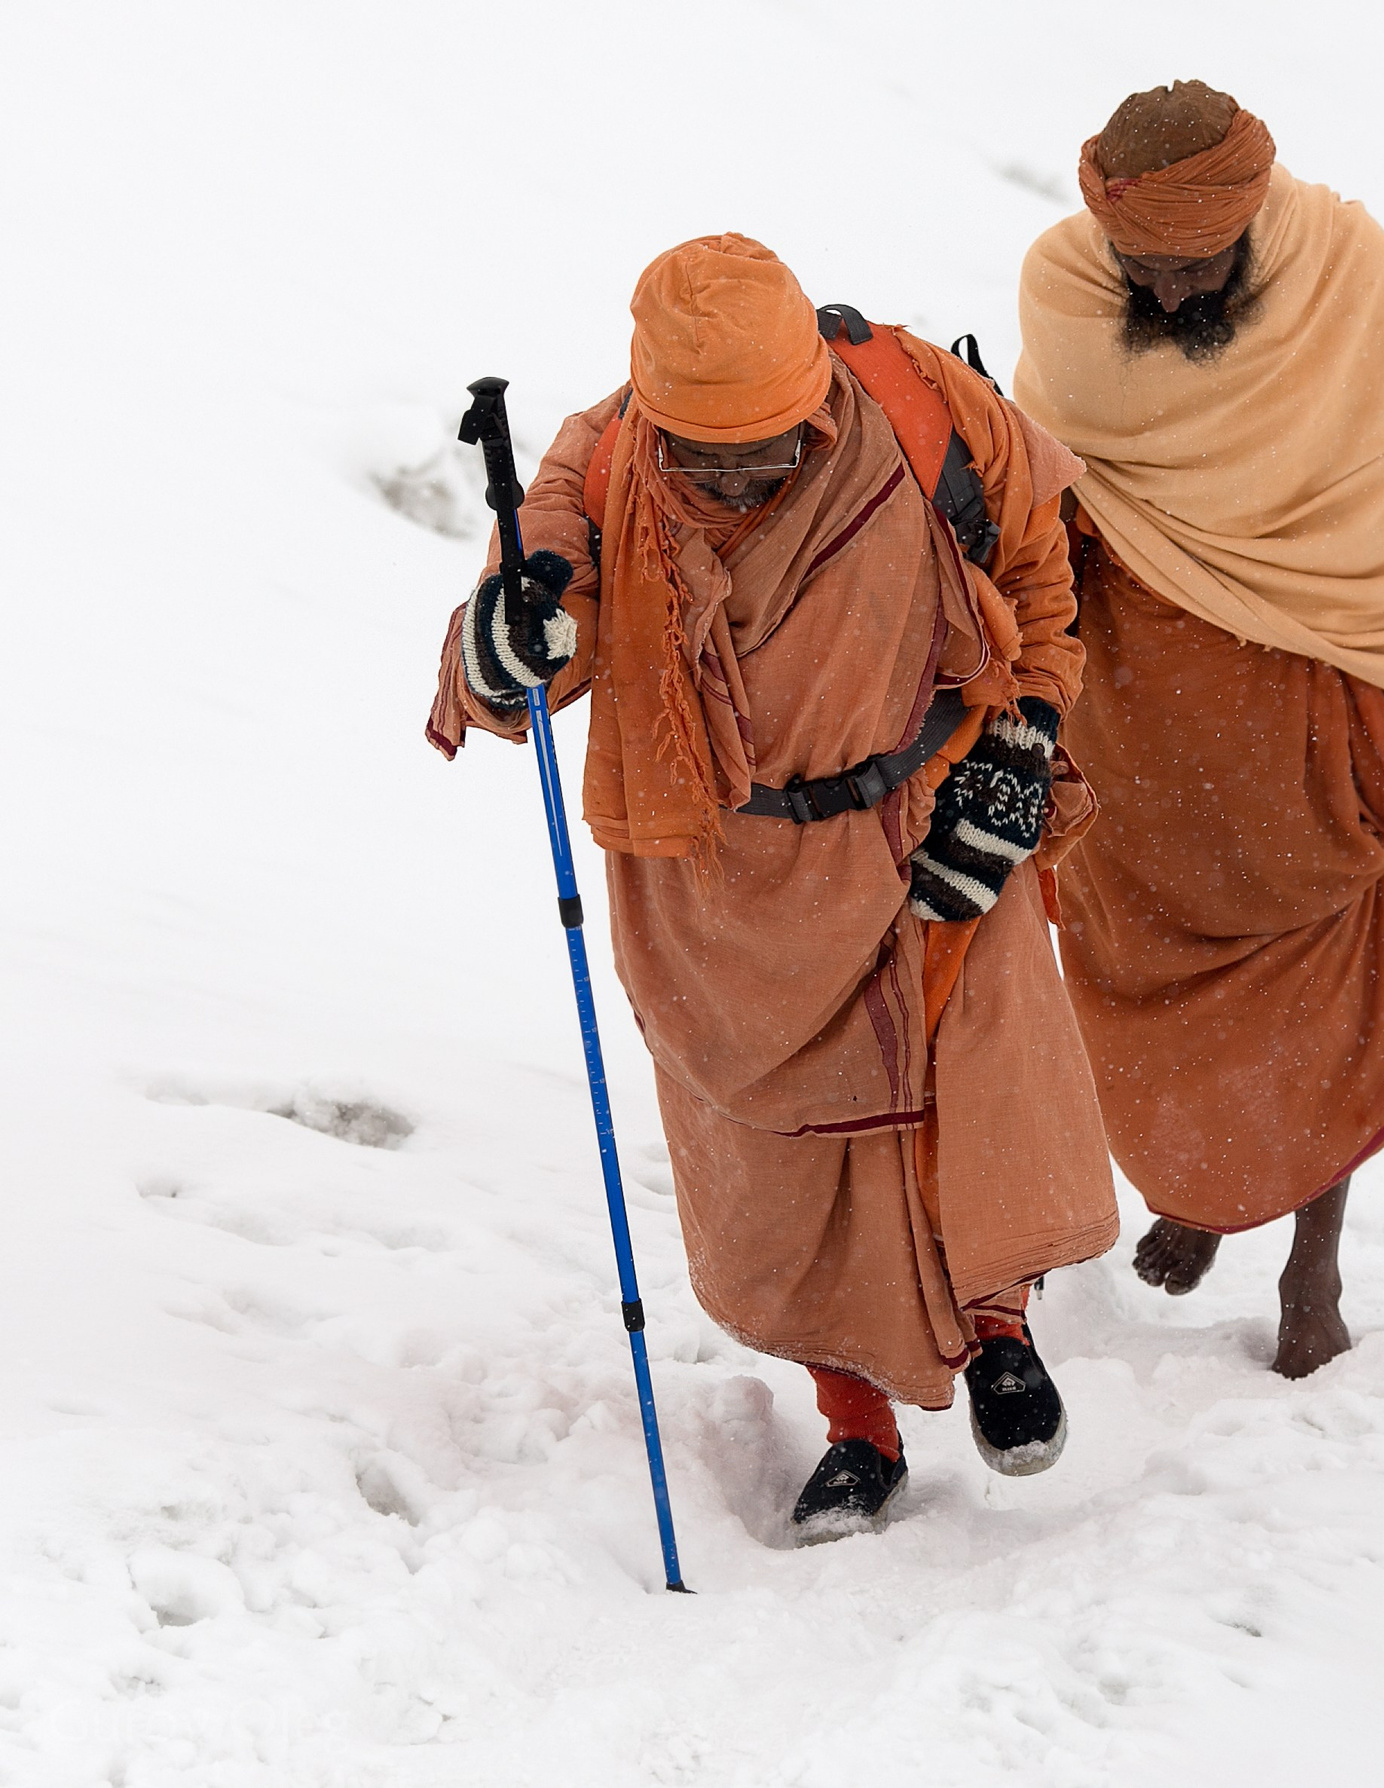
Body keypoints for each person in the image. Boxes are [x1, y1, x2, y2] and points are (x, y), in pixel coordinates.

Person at [425, 235, 1117, 1538]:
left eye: (771, 445)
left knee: (963, 1103)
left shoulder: (920, 408)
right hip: (717, 882)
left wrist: (1020, 750)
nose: (740, 474)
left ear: (816, 394)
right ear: (655, 412)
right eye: (709, 453)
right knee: (786, 1175)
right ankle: (853, 1427)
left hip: (935, 815)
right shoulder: (600, 464)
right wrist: (511, 638)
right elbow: (508, 667)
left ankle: (1000, 1338)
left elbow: (1039, 572)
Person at [1013, 84, 1384, 1377]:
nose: (1170, 298)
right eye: (1145, 270)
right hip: (1139, 733)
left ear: (1249, 220)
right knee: (1162, 978)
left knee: (1323, 988)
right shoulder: (1068, 297)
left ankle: (1314, 1259)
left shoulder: (1341, 278)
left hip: (1316, 707)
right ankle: (1201, 1193)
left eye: (1197, 271)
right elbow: (1050, 488)